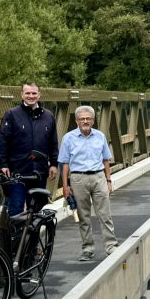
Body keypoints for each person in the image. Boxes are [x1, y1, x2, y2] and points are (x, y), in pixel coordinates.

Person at [59, 106, 117, 261]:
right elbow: (64, 164)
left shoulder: (100, 136)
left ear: (93, 120)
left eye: (88, 118)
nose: (85, 121)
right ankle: (87, 248)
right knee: (83, 217)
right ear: (77, 120)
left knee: (105, 214)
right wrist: (65, 187)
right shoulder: (68, 138)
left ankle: (111, 246)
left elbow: (106, 159)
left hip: (99, 177)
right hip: (78, 179)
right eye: (82, 118)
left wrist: (109, 180)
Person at [0, 82, 59, 216]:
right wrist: (3, 164)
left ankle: (32, 237)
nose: (31, 96)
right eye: (27, 93)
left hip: (39, 171)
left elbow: (53, 142)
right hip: (17, 171)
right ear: (22, 95)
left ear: (39, 94)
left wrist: (54, 164)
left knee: (37, 209)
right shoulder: (11, 114)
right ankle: (16, 237)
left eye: (34, 93)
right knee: (16, 209)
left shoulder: (48, 116)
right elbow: (3, 141)